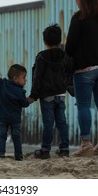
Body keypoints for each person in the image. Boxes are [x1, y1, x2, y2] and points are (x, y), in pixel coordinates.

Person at [65, 0, 98, 157]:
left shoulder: (78, 18)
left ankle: (86, 144)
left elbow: (70, 46)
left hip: (85, 69)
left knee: (84, 105)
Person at [28, 24, 73, 159]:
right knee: (62, 122)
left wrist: (33, 96)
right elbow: (69, 74)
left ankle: (45, 150)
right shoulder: (65, 56)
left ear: (45, 41)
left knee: (48, 123)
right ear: (59, 40)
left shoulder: (41, 57)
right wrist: (71, 89)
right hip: (61, 94)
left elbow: (37, 78)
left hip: (46, 96)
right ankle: (64, 149)